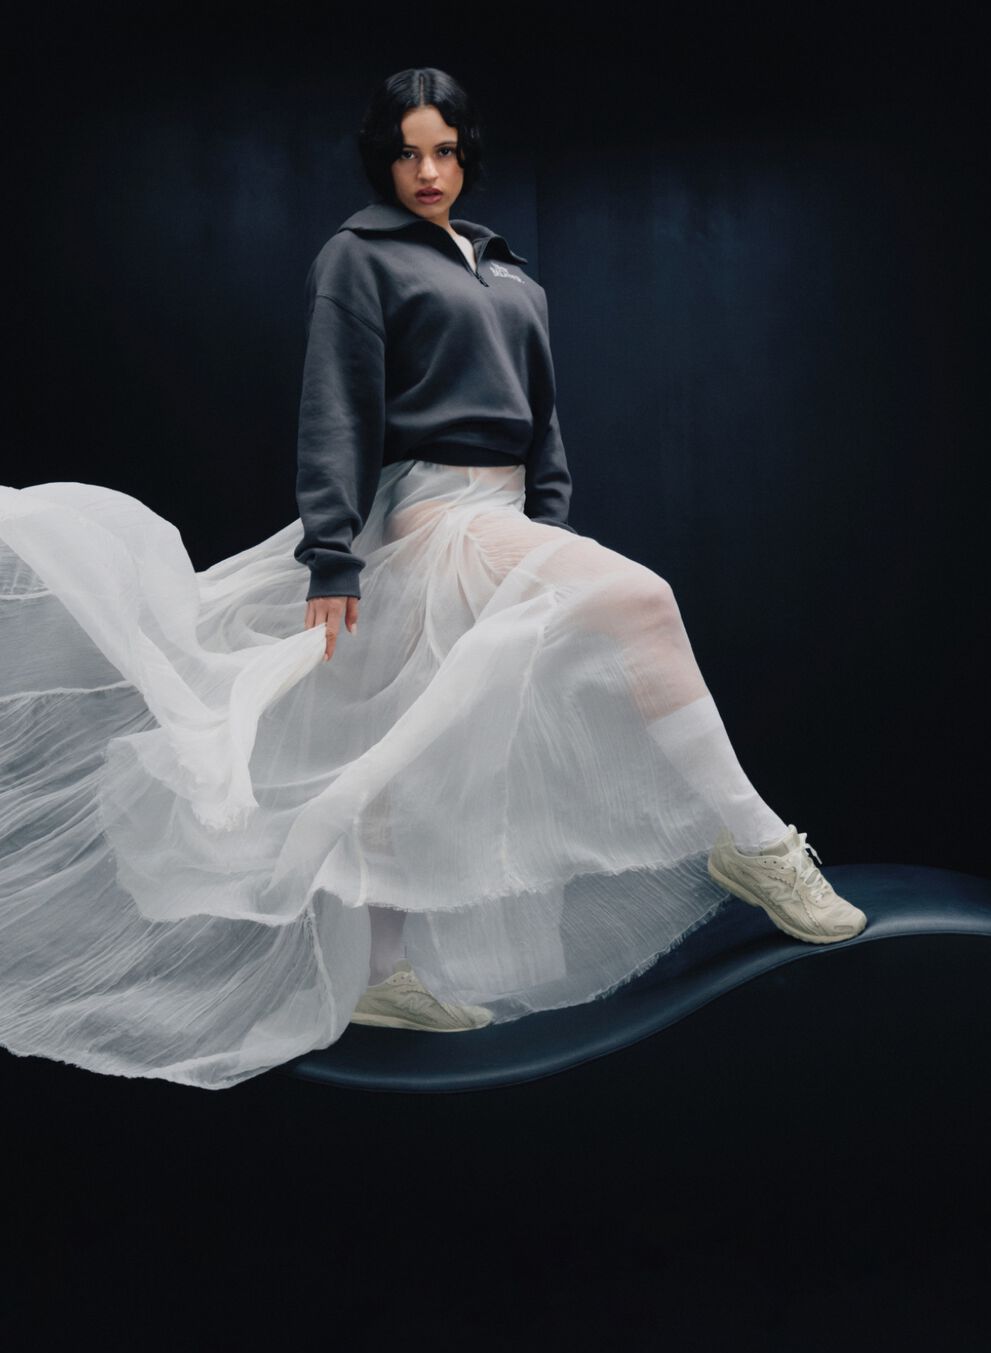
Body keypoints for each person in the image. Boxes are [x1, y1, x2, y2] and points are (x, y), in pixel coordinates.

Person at [0, 67, 865, 1090]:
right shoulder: (358, 260)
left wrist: (547, 530)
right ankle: (754, 841)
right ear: (386, 159)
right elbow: (334, 411)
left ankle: (382, 971)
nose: (426, 170)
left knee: (400, 741)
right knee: (644, 603)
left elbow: (541, 425)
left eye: (444, 150)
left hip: (505, 516)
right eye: (408, 151)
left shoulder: (512, 275)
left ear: (467, 155)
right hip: (429, 512)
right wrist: (330, 554)